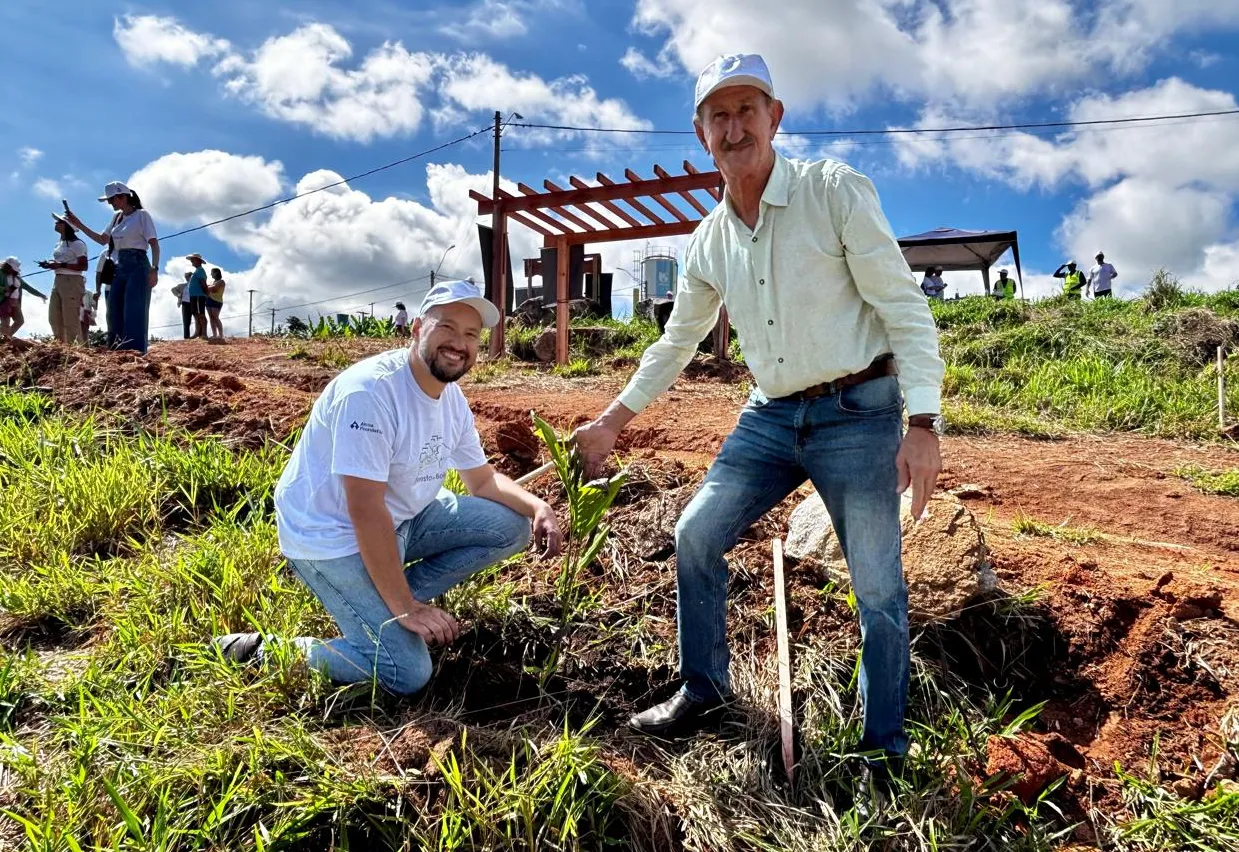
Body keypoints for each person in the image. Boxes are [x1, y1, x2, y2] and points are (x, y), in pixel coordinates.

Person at [572, 54, 944, 795]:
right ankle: (703, 689)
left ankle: (882, 746)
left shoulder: (831, 191)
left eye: (748, 110)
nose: (734, 126)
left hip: (858, 412)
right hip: (770, 415)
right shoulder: (707, 240)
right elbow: (675, 341)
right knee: (695, 535)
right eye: (719, 114)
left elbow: (903, 305)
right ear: (701, 132)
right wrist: (611, 420)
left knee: (876, 586)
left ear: (774, 118)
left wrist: (924, 422)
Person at [214, 279, 564, 696]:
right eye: (447, 327)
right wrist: (406, 607)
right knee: (406, 672)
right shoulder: (370, 393)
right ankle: (268, 650)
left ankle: (373, 605)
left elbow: (483, 480)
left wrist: (538, 506)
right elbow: (365, 510)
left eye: (471, 335)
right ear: (417, 328)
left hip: (404, 519)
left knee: (512, 526)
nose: (459, 343)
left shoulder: (451, 399)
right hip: (331, 537)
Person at [64, 182, 159, 353]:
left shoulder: (142, 215)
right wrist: (78, 223)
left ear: (122, 196)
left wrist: (154, 269)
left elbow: (154, 244)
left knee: (134, 308)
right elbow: (102, 239)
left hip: (138, 263)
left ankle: (135, 352)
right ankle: (116, 350)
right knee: (113, 309)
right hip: (119, 265)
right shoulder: (116, 218)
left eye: (111, 200)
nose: (110, 204)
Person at [38, 214, 89, 343]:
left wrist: (61, 265)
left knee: (70, 319)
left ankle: (76, 351)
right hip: (58, 280)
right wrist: (50, 263)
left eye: (59, 221)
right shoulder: (59, 244)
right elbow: (61, 261)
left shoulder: (78, 244)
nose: (56, 223)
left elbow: (84, 266)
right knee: (54, 318)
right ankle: (61, 347)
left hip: (72, 282)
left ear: (67, 226)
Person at [1, 257, 48, 338]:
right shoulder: (1, 273)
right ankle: (4, 339)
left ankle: (7, 336)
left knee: (20, 321)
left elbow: (28, 287)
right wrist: (4, 289)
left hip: (15, 302)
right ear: (7, 266)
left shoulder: (17, 278)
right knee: (5, 322)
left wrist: (41, 295)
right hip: (4, 302)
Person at [185, 254, 209, 339]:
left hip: (199, 295)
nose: (191, 261)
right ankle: (197, 332)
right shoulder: (197, 271)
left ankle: (204, 333)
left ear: (198, 261)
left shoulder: (200, 271)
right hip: (194, 296)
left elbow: (203, 283)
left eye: (193, 260)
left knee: (201, 314)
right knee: (195, 314)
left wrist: (206, 293)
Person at [206, 268, 226, 341]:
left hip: (217, 301)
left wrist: (206, 287)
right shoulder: (213, 282)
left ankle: (220, 335)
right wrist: (207, 287)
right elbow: (208, 288)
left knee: (215, 317)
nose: (211, 274)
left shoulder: (221, 282)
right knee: (211, 317)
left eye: (212, 273)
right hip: (209, 300)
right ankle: (214, 335)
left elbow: (213, 289)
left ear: (216, 273)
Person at [172, 272, 194, 339]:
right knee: (186, 321)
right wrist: (178, 295)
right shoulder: (182, 286)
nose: (187, 278)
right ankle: (186, 337)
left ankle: (200, 335)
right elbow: (173, 289)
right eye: (186, 277)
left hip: (194, 303)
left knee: (197, 319)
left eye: (188, 276)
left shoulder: (195, 285)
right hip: (185, 304)